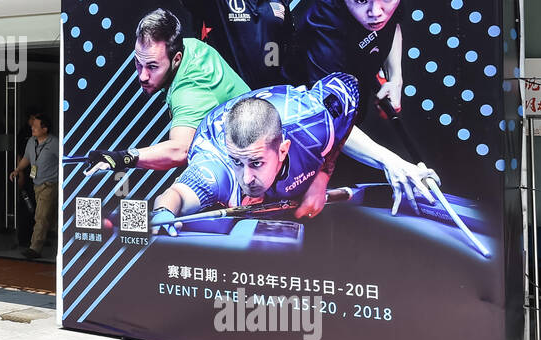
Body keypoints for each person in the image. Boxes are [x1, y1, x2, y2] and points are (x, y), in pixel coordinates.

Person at [151, 72, 440, 232]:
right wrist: (164, 212)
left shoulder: (311, 121)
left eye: (256, 162)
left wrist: (389, 161)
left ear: (283, 149)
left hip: (286, 110)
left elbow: (349, 87)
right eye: (238, 164)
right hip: (212, 134)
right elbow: (176, 195)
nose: (246, 177)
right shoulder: (217, 165)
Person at [83, 8, 249, 175]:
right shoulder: (187, 46)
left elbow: (180, 150)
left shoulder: (191, 89)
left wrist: (121, 158)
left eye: (152, 66)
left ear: (176, 59)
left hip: (254, 162)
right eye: (138, 63)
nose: (143, 76)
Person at [287, 0, 407, 122]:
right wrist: (388, 155)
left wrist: (395, 79)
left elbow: (394, 25)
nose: (376, 12)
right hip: (306, 120)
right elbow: (327, 117)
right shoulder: (324, 27)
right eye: (361, 0)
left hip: (357, 89)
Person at [10, 112, 59, 260]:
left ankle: (35, 248)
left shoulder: (55, 143)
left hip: (49, 184)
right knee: (47, 216)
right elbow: (27, 157)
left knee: (41, 217)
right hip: (36, 183)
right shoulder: (31, 141)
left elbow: (64, 160)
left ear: (45, 129)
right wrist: (18, 169)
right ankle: (52, 236)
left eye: (36, 126)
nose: (32, 128)